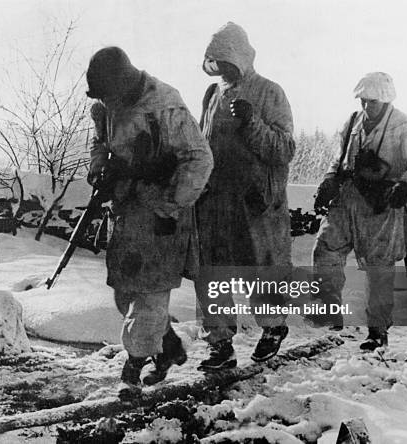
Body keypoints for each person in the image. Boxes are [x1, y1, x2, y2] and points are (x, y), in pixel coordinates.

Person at [85, 47, 214, 399]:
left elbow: (200, 159)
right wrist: (101, 167)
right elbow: (101, 142)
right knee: (124, 292)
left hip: (161, 214)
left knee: (150, 297)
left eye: (110, 94)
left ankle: (133, 366)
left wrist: (171, 206)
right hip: (127, 211)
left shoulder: (165, 104)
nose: (107, 101)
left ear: (123, 82)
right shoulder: (109, 104)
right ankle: (168, 343)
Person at [195, 22, 296, 369]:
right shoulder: (211, 95)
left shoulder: (270, 92)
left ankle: (273, 329)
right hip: (216, 201)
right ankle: (220, 345)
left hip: (256, 203)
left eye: (226, 59)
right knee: (212, 274)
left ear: (240, 57)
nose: (221, 67)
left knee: (260, 270)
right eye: (215, 60)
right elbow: (202, 145)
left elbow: (285, 149)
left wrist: (252, 122)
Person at [312, 72, 407, 350]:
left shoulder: (403, 126)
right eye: (364, 100)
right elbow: (338, 159)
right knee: (325, 248)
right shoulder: (353, 122)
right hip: (349, 197)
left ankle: (377, 331)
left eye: (373, 102)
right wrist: (329, 181)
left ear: (386, 99)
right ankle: (330, 312)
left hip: (383, 203)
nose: (367, 107)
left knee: (379, 268)